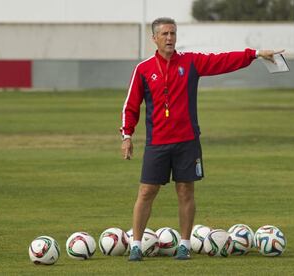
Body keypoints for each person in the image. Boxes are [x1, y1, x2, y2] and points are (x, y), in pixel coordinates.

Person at [120, 17, 283, 261]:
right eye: (164, 34)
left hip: (187, 141)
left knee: (186, 191)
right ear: (154, 38)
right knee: (146, 191)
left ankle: (184, 244)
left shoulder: (191, 62)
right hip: (157, 143)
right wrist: (127, 135)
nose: (170, 38)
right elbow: (130, 105)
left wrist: (256, 53)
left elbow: (223, 61)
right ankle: (135, 244)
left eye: (173, 33)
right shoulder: (143, 70)